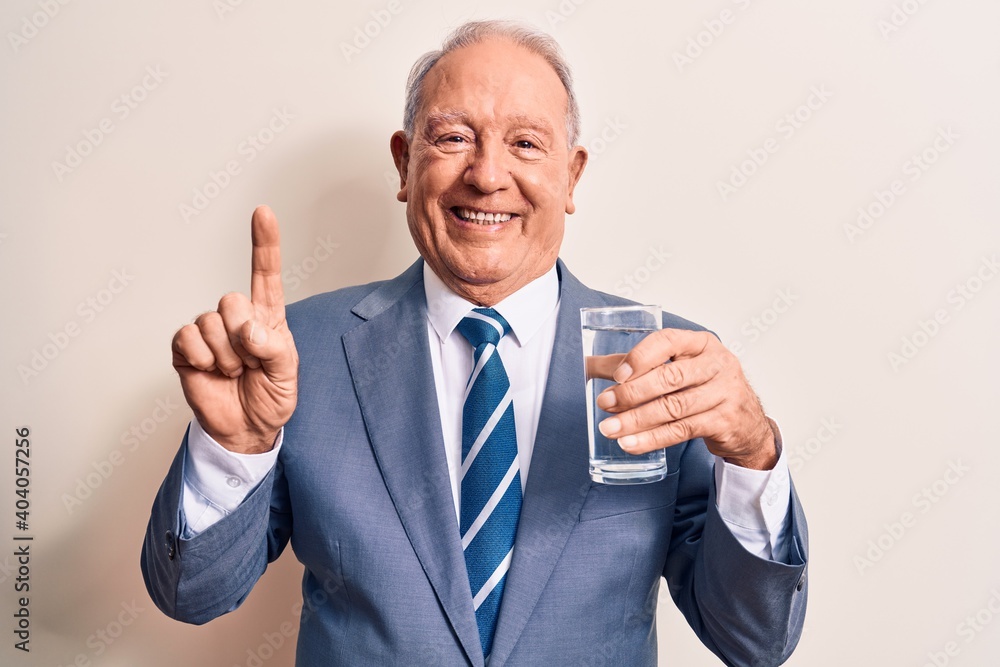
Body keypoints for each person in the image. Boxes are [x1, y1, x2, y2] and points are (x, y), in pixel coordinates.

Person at [142, 20, 808, 667]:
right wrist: (237, 446)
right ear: (405, 165)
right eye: (454, 137)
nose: (487, 175)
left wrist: (752, 453)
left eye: (525, 144)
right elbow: (190, 594)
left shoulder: (671, 362)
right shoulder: (298, 352)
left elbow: (753, 640)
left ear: (571, 176)